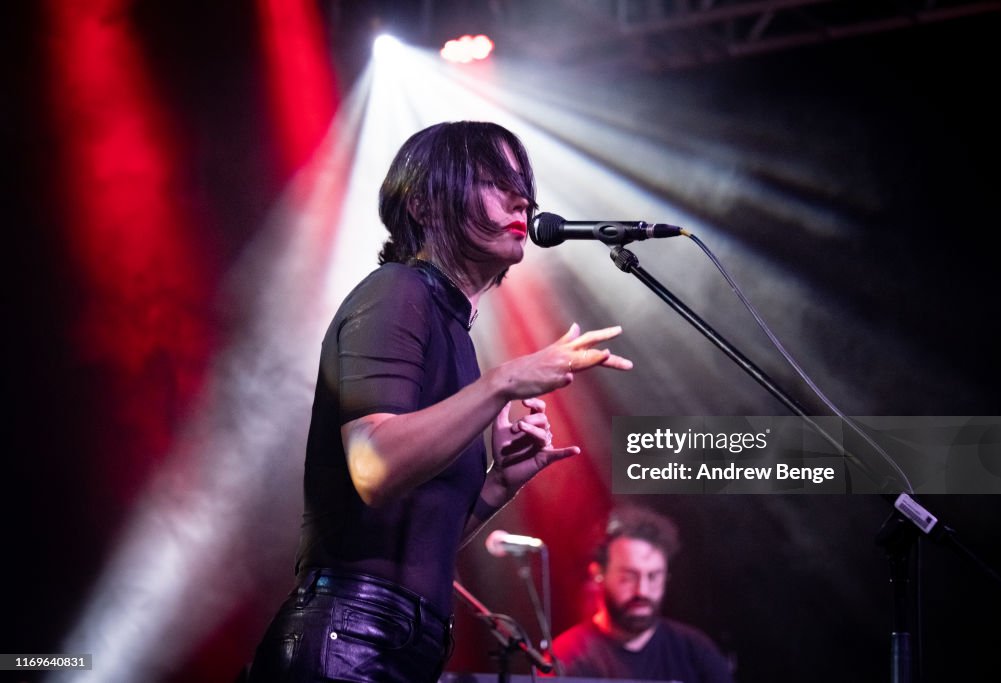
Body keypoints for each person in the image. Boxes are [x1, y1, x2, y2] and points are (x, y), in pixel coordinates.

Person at [247, 121, 633, 683]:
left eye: (521, 183)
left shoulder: (454, 332)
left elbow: (420, 547)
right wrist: (502, 382)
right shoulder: (398, 290)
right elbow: (373, 467)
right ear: (425, 204)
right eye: (492, 181)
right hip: (348, 641)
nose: (521, 197)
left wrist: (500, 483)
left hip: (399, 644)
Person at [550, 506, 734, 682]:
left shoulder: (695, 650)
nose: (642, 590)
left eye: (653, 576)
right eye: (628, 577)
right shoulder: (569, 655)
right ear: (599, 573)